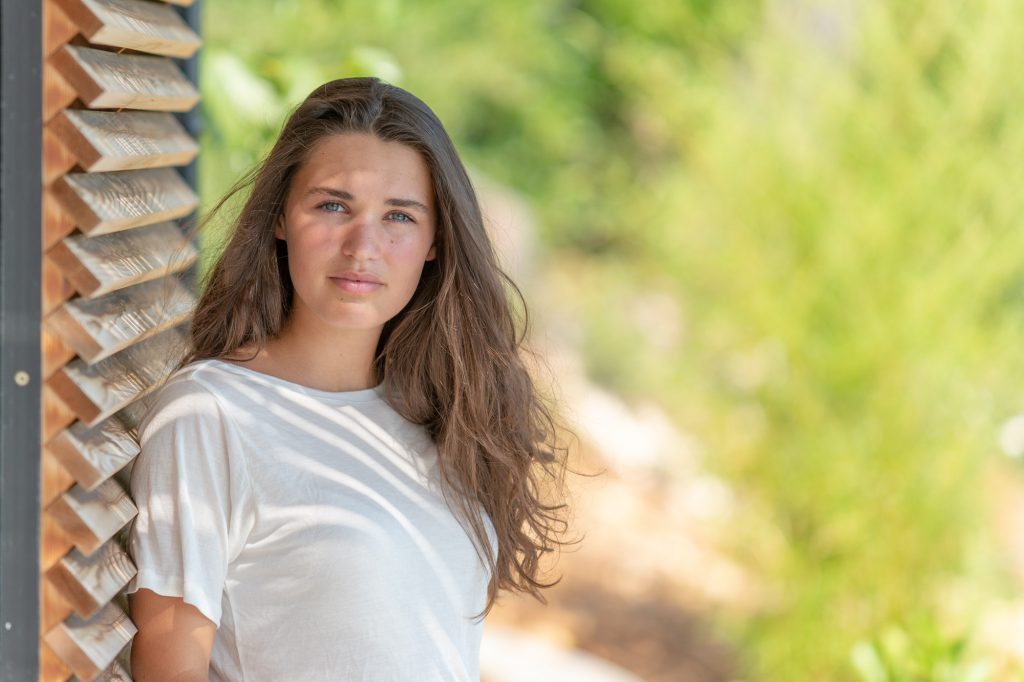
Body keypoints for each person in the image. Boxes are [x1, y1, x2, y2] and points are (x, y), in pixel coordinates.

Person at [125, 77, 569, 681]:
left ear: (435, 241)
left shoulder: (435, 412)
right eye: (333, 205)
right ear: (282, 217)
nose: (364, 245)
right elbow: (168, 670)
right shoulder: (211, 413)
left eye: (399, 216)